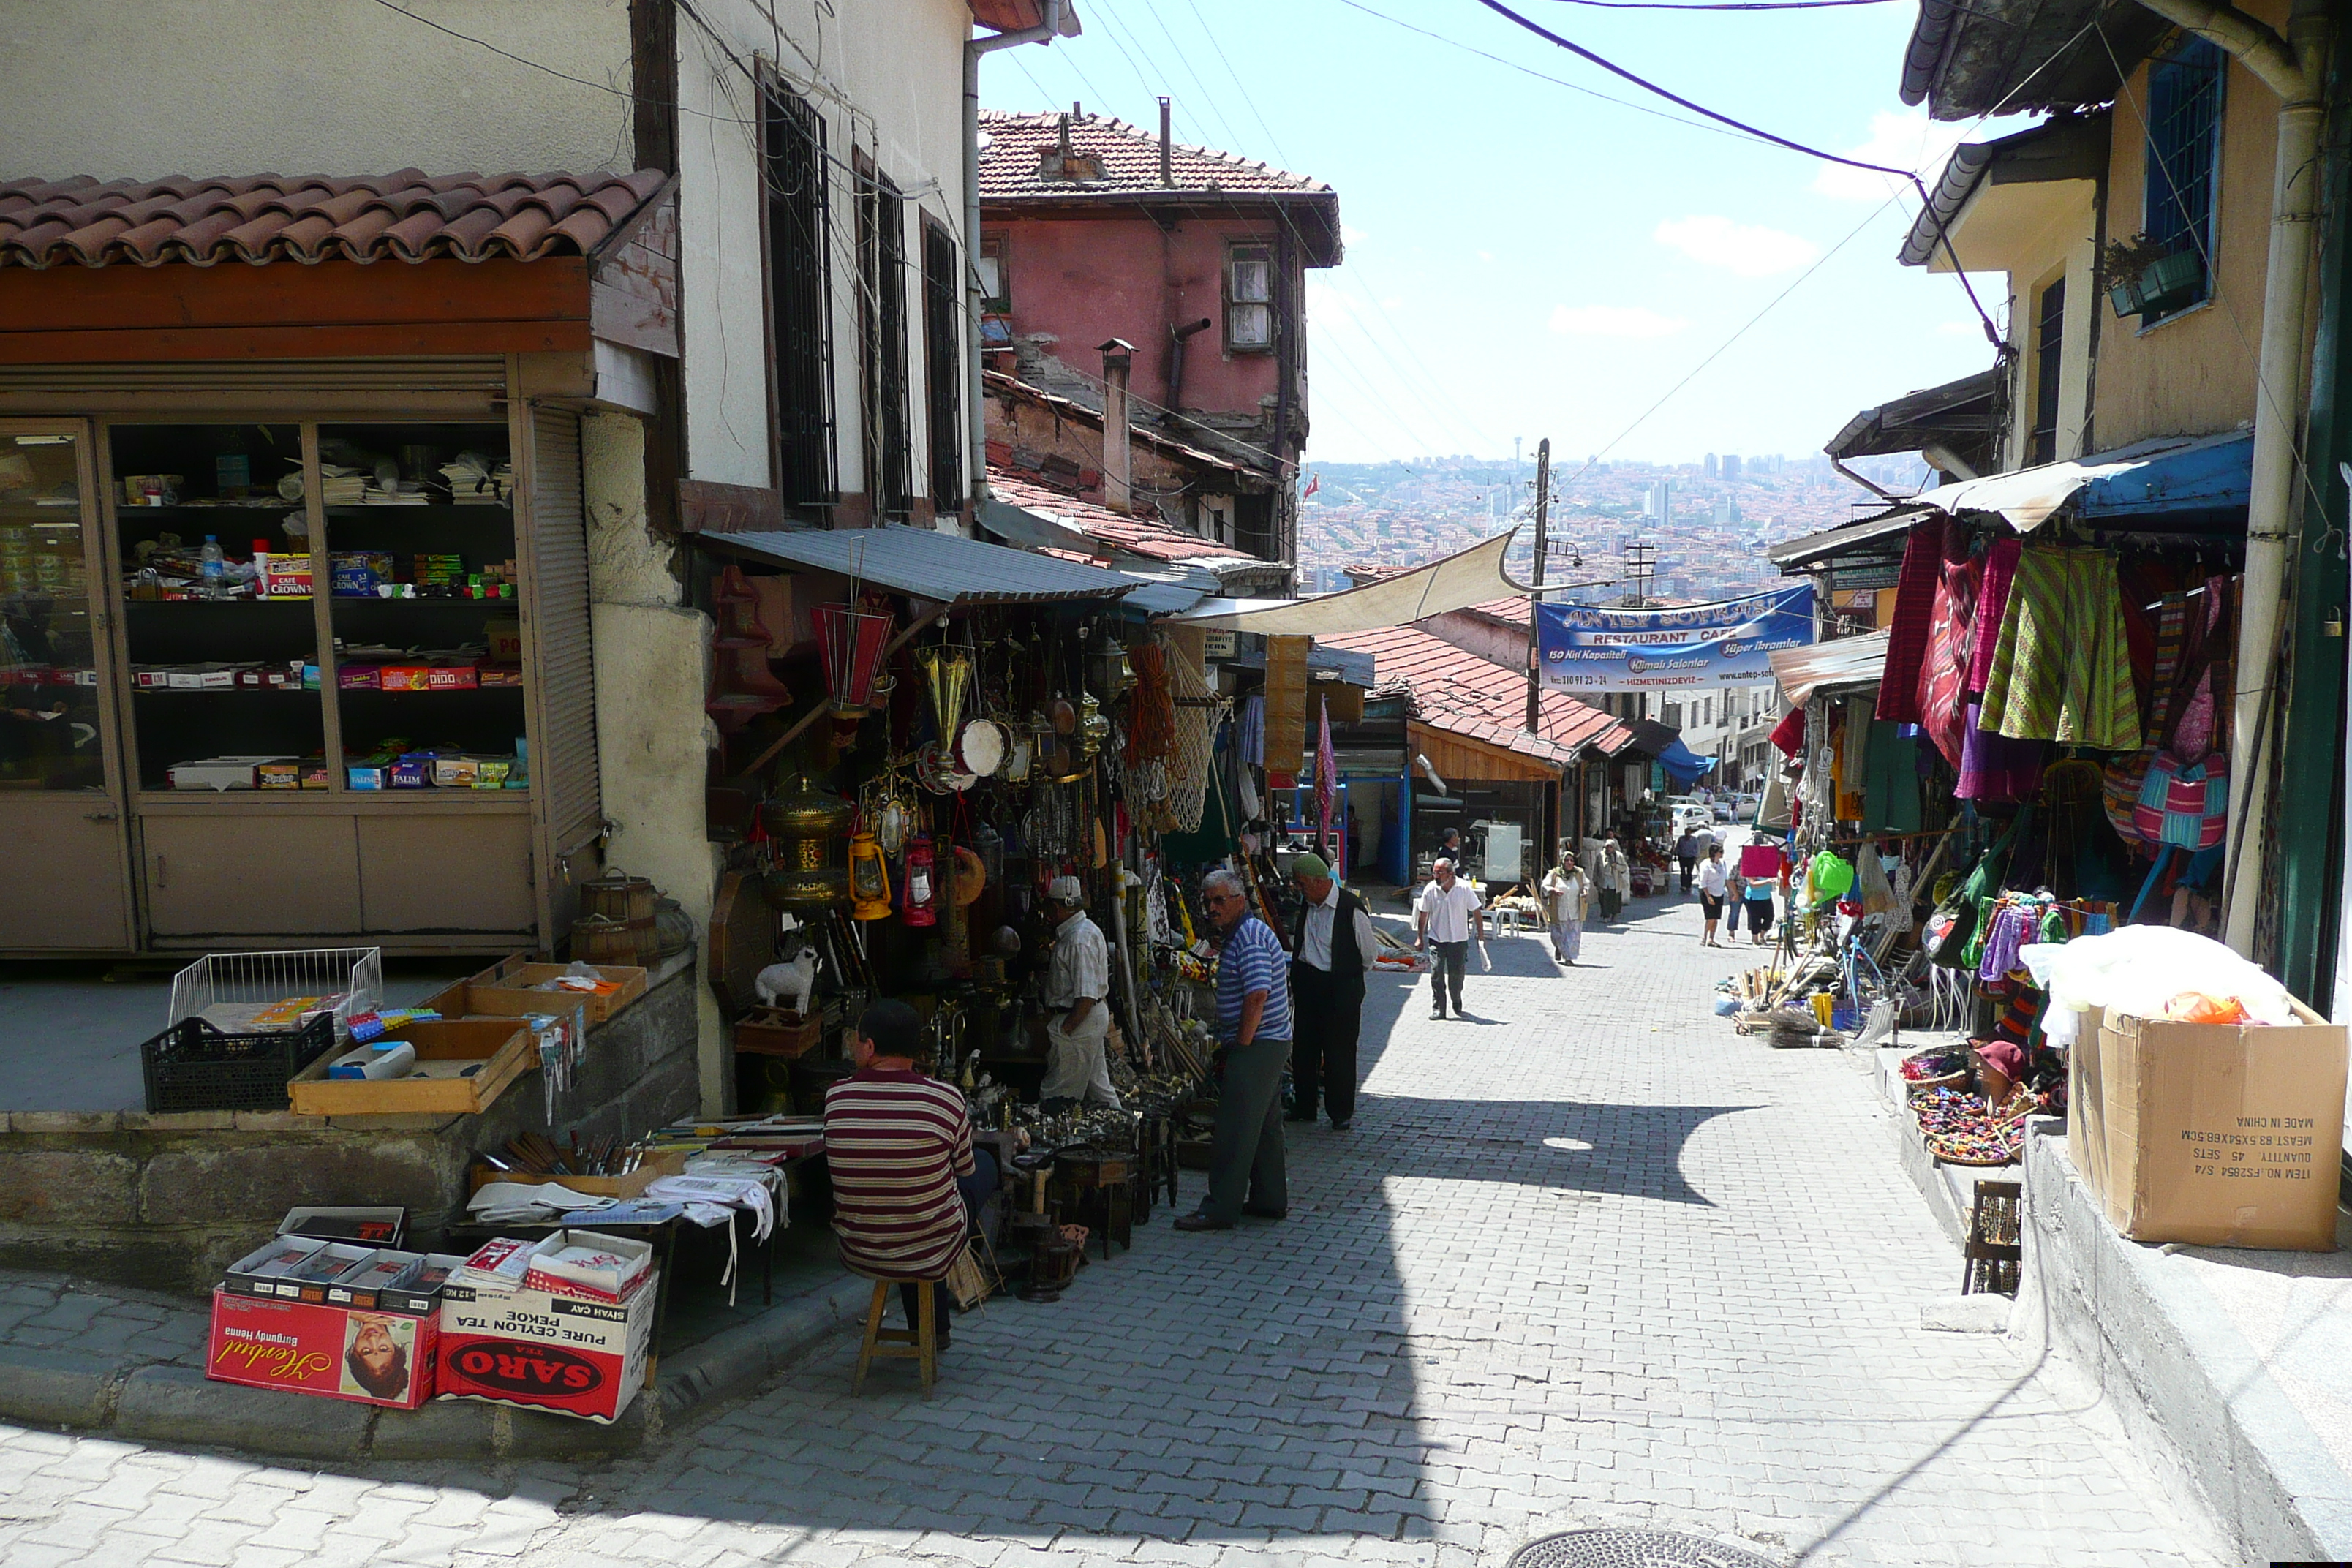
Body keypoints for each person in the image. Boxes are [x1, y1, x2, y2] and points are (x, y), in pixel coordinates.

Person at [824, 1000, 995, 1349]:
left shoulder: (837, 1097)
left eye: (856, 1040)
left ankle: (935, 1329)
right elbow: (965, 1169)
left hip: (860, 1247)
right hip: (927, 1245)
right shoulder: (946, 1098)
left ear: (869, 1048)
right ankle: (940, 1319)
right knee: (985, 1164)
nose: (854, 1047)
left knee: (913, 1199)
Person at [1176, 870, 1293, 1232]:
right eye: (1207, 901)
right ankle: (1268, 1199)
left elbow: (1257, 995)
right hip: (1266, 1043)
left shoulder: (1250, 936)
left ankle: (1220, 1208)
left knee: (1234, 1127)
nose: (1211, 908)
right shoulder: (1242, 934)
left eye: (1219, 901)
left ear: (1240, 901)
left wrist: (1239, 1048)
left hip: (1258, 1045)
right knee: (1265, 1126)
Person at [1286, 852, 1376, 1131]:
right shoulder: (1307, 905)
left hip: (1340, 990)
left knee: (1339, 1053)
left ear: (1318, 881)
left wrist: (1345, 976)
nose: (1299, 890)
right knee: (1304, 1050)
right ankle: (1305, 1106)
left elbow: (1369, 954)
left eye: (1301, 884)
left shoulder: (1350, 907)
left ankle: (1340, 1112)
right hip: (1309, 986)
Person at [1037, 875, 1120, 1110]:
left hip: (1079, 1019)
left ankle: (1052, 1138)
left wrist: (1067, 1030)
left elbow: (1085, 997)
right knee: (1099, 1087)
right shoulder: (1084, 931)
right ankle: (1128, 1129)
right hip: (1087, 1018)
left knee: (1057, 1093)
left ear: (1055, 907)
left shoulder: (1078, 940)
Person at [1415, 857, 1485, 1019]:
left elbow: (1476, 911)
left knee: (1456, 975)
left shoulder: (1463, 888)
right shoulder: (1430, 890)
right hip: (1437, 940)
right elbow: (1423, 914)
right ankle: (1439, 1008)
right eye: (1434, 873)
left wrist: (1480, 935)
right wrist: (1420, 937)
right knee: (1436, 973)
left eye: (1439, 873)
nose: (1436, 876)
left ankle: (1456, 998)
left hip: (1459, 940)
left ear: (1450, 874)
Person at [1538, 851, 1592, 966]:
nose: (1569, 862)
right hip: (1559, 909)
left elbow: (1586, 885)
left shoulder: (1579, 873)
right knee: (1557, 935)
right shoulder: (1554, 873)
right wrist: (1553, 890)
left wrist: (1585, 891)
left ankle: (1569, 958)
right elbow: (1545, 885)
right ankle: (1559, 947)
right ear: (1562, 861)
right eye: (1567, 860)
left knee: (1573, 935)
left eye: (1571, 860)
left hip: (1575, 908)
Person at [1696, 841, 1729, 946]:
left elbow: (1726, 878)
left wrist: (1732, 892)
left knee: (1716, 918)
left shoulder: (1722, 863)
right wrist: (1709, 896)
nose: (1722, 854)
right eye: (1720, 852)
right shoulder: (1706, 865)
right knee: (1710, 917)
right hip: (1708, 893)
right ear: (1714, 853)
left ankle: (1711, 939)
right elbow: (1703, 882)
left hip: (1719, 893)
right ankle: (1704, 937)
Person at [1594, 836, 1630, 923]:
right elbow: (1596, 869)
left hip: (1615, 881)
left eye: (1611, 847)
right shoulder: (1600, 856)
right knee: (1604, 899)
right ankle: (1605, 916)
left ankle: (1614, 915)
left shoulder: (1619, 856)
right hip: (1604, 881)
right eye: (1607, 847)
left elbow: (1624, 868)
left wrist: (1616, 866)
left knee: (1615, 900)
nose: (1609, 849)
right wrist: (1595, 879)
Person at [1745, 865, 1778, 946]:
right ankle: (1755, 939)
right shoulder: (1752, 869)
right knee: (1755, 919)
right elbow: (1752, 883)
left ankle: (1762, 936)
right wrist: (1767, 881)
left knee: (1770, 917)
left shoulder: (1767, 869)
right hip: (1754, 897)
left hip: (1766, 896)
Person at [1723, 862, 1746, 939]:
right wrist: (1735, 893)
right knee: (1734, 913)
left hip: (1750, 893)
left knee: (1753, 914)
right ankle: (1731, 933)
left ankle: (1755, 935)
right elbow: (1731, 880)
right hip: (1737, 891)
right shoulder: (1737, 867)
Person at [1674, 827, 1701, 893]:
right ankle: (1683, 885)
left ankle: (1688, 885)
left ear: (1690, 833)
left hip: (1691, 858)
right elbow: (1678, 847)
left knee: (1689, 872)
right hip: (1682, 857)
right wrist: (1676, 854)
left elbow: (1697, 848)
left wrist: (1696, 856)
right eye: (1686, 832)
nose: (1687, 834)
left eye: (1688, 832)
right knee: (1683, 871)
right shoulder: (1681, 839)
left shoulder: (1694, 840)